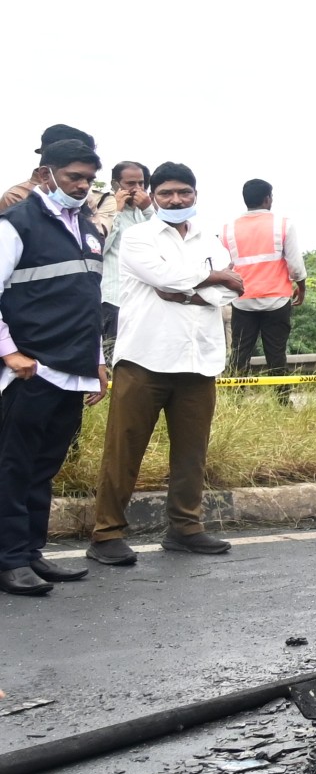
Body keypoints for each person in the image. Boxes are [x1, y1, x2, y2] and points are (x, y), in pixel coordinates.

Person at [90, 162, 240, 564]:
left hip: (198, 360)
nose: (176, 200)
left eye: (184, 193)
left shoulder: (210, 240)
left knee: (192, 452)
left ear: (195, 195)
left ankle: (185, 528)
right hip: (145, 358)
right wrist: (210, 279)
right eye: (167, 193)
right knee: (124, 450)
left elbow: (229, 293)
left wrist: (192, 288)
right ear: (153, 196)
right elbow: (163, 276)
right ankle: (106, 535)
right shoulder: (138, 237)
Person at [0, 137, 108, 594]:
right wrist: (10, 353)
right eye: (73, 177)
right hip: (31, 370)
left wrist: (97, 361)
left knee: (44, 467)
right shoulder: (15, 225)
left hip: (73, 369)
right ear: (46, 175)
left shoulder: (87, 226)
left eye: (87, 179)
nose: (82, 187)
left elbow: (88, 300)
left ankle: (32, 553)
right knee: (13, 466)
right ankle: (9, 560)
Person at [220, 178, 303, 382]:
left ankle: (235, 399)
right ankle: (282, 400)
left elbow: (225, 266)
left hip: (242, 299)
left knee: (239, 352)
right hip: (277, 299)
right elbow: (295, 266)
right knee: (276, 354)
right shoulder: (283, 224)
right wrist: (302, 287)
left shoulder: (228, 229)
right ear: (268, 199)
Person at [94, 161, 151, 360]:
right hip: (113, 297)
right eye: (130, 184)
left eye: (142, 183)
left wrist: (148, 209)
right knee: (112, 356)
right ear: (116, 184)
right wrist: (116, 212)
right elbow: (100, 248)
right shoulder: (103, 209)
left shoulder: (143, 213)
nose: (137, 189)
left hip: (140, 298)